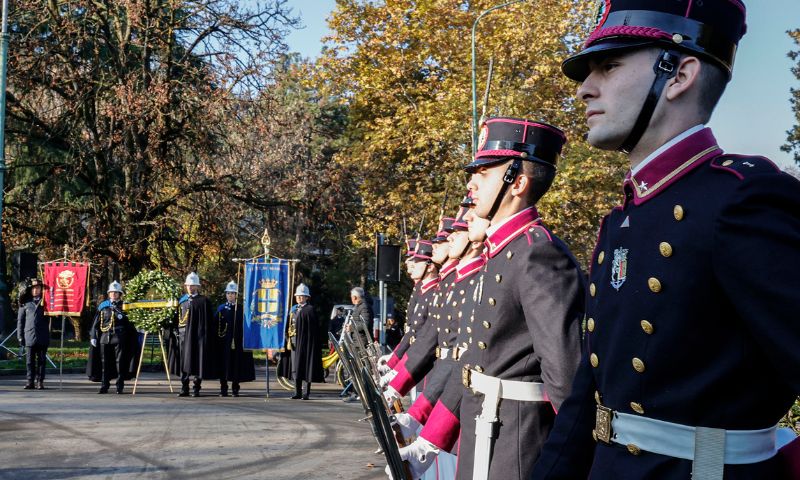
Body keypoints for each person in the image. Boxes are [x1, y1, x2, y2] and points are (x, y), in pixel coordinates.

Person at [532, 2, 800, 479]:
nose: (585, 89)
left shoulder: (742, 201)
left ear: (679, 75)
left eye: (610, 66)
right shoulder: (623, 218)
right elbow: (588, 399)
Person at [405, 117, 585, 480]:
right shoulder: (499, 253)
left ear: (517, 182)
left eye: (485, 173)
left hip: (517, 443)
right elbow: (471, 362)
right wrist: (429, 438)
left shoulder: (538, 254)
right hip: (482, 432)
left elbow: (566, 378)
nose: (472, 183)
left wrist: (567, 466)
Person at [87, 281, 137, 394]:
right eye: (111, 292)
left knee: (120, 362)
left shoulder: (124, 306)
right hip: (105, 337)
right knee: (105, 363)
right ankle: (104, 385)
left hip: (119, 337)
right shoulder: (103, 306)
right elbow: (96, 323)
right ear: (108, 294)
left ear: (120, 294)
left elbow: (130, 324)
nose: (113, 294)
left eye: (116, 292)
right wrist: (94, 336)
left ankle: (120, 386)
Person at [177, 272, 215, 397]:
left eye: (193, 285)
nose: (190, 287)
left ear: (197, 287)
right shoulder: (182, 301)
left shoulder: (203, 301)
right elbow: (178, 318)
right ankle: (184, 387)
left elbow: (209, 320)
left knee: (198, 361)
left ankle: (196, 387)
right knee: (184, 362)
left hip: (198, 336)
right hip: (183, 335)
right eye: (188, 285)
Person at [215, 281, 255, 397]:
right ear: (226, 294)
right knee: (224, 366)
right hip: (224, 342)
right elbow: (216, 325)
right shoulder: (221, 309)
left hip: (237, 342)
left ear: (236, 295)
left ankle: (235, 388)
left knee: (236, 365)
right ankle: (223, 388)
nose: (230, 295)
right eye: (228, 293)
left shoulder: (241, 309)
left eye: (233, 293)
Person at [287, 283, 324, 400]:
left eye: (302, 296)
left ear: (307, 297)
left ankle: (305, 392)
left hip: (305, 343)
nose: (299, 298)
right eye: (298, 296)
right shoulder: (293, 309)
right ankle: (296, 391)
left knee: (306, 366)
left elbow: (313, 330)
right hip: (294, 342)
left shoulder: (310, 310)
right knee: (295, 368)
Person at [17, 278, 49, 390]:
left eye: (38, 288)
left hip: (42, 335)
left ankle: (40, 381)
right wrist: (20, 336)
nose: (36, 290)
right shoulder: (25, 303)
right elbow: (20, 321)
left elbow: (53, 315)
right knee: (29, 362)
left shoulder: (47, 302)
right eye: (34, 288)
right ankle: (30, 381)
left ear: (41, 290)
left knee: (41, 361)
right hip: (29, 335)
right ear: (30, 290)